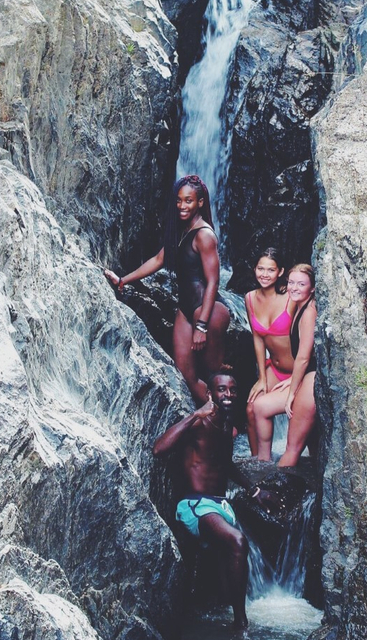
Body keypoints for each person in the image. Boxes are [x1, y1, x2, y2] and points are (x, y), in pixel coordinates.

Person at [153, 369, 280, 630]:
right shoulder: (199, 423)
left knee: (224, 579)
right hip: (195, 506)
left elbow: (226, 464)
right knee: (237, 541)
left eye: (233, 389)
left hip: (221, 506)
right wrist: (195, 414)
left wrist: (255, 492)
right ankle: (241, 624)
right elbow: (159, 448)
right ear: (210, 394)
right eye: (222, 389)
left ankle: (221, 620)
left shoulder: (226, 426)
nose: (228, 394)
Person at [104, 175, 230, 404]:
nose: (182, 206)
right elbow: (158, 259)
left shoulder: (204, 235)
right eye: (179, 200)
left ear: (200, 202)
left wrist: (201, 324)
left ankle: (227, 429)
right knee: (186, 375)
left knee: (214, 377)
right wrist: (123, 280)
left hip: (209, 312)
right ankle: (215, 420)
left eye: (189, 201)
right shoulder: (182, 230)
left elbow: (213, 282)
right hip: (185, 309)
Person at [246, 262, 317, 467]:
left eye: (301, 284)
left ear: (312, 288)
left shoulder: (309, 311)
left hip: (311, 379)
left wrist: (293, 391)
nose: (294, 288)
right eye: (291, 283)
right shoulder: (300, 306)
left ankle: (280, 490)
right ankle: (263, 464)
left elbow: (304, 358)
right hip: (303, 376)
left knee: (292, 451)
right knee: (259, 406)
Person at [245, 248, 296, 459]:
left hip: (297, 370)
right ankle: (258, 463)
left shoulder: (291, 299)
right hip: (273, 369)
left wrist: (296, 378)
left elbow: (307, 339)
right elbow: (258, 337)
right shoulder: (249, 298)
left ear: (280, 272)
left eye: (271, 270)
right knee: (250, 409)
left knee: (294, 413)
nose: (264, 274)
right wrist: (262, 378)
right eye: (260, 269)